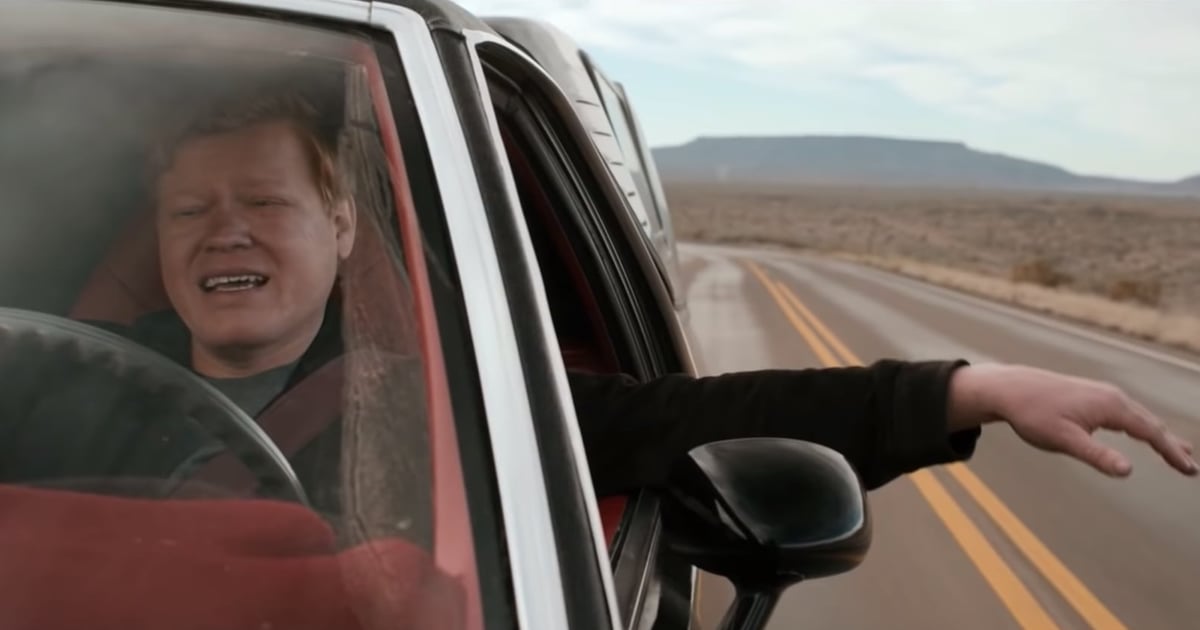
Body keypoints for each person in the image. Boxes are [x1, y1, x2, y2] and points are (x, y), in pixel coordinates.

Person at [27, 89, 1196, 521]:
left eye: (264, 202)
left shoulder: (459, 408)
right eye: (189, 211)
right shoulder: (50, 379)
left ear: (341, 227)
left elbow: (700, 416)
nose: (224, 230)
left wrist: (972, 388)